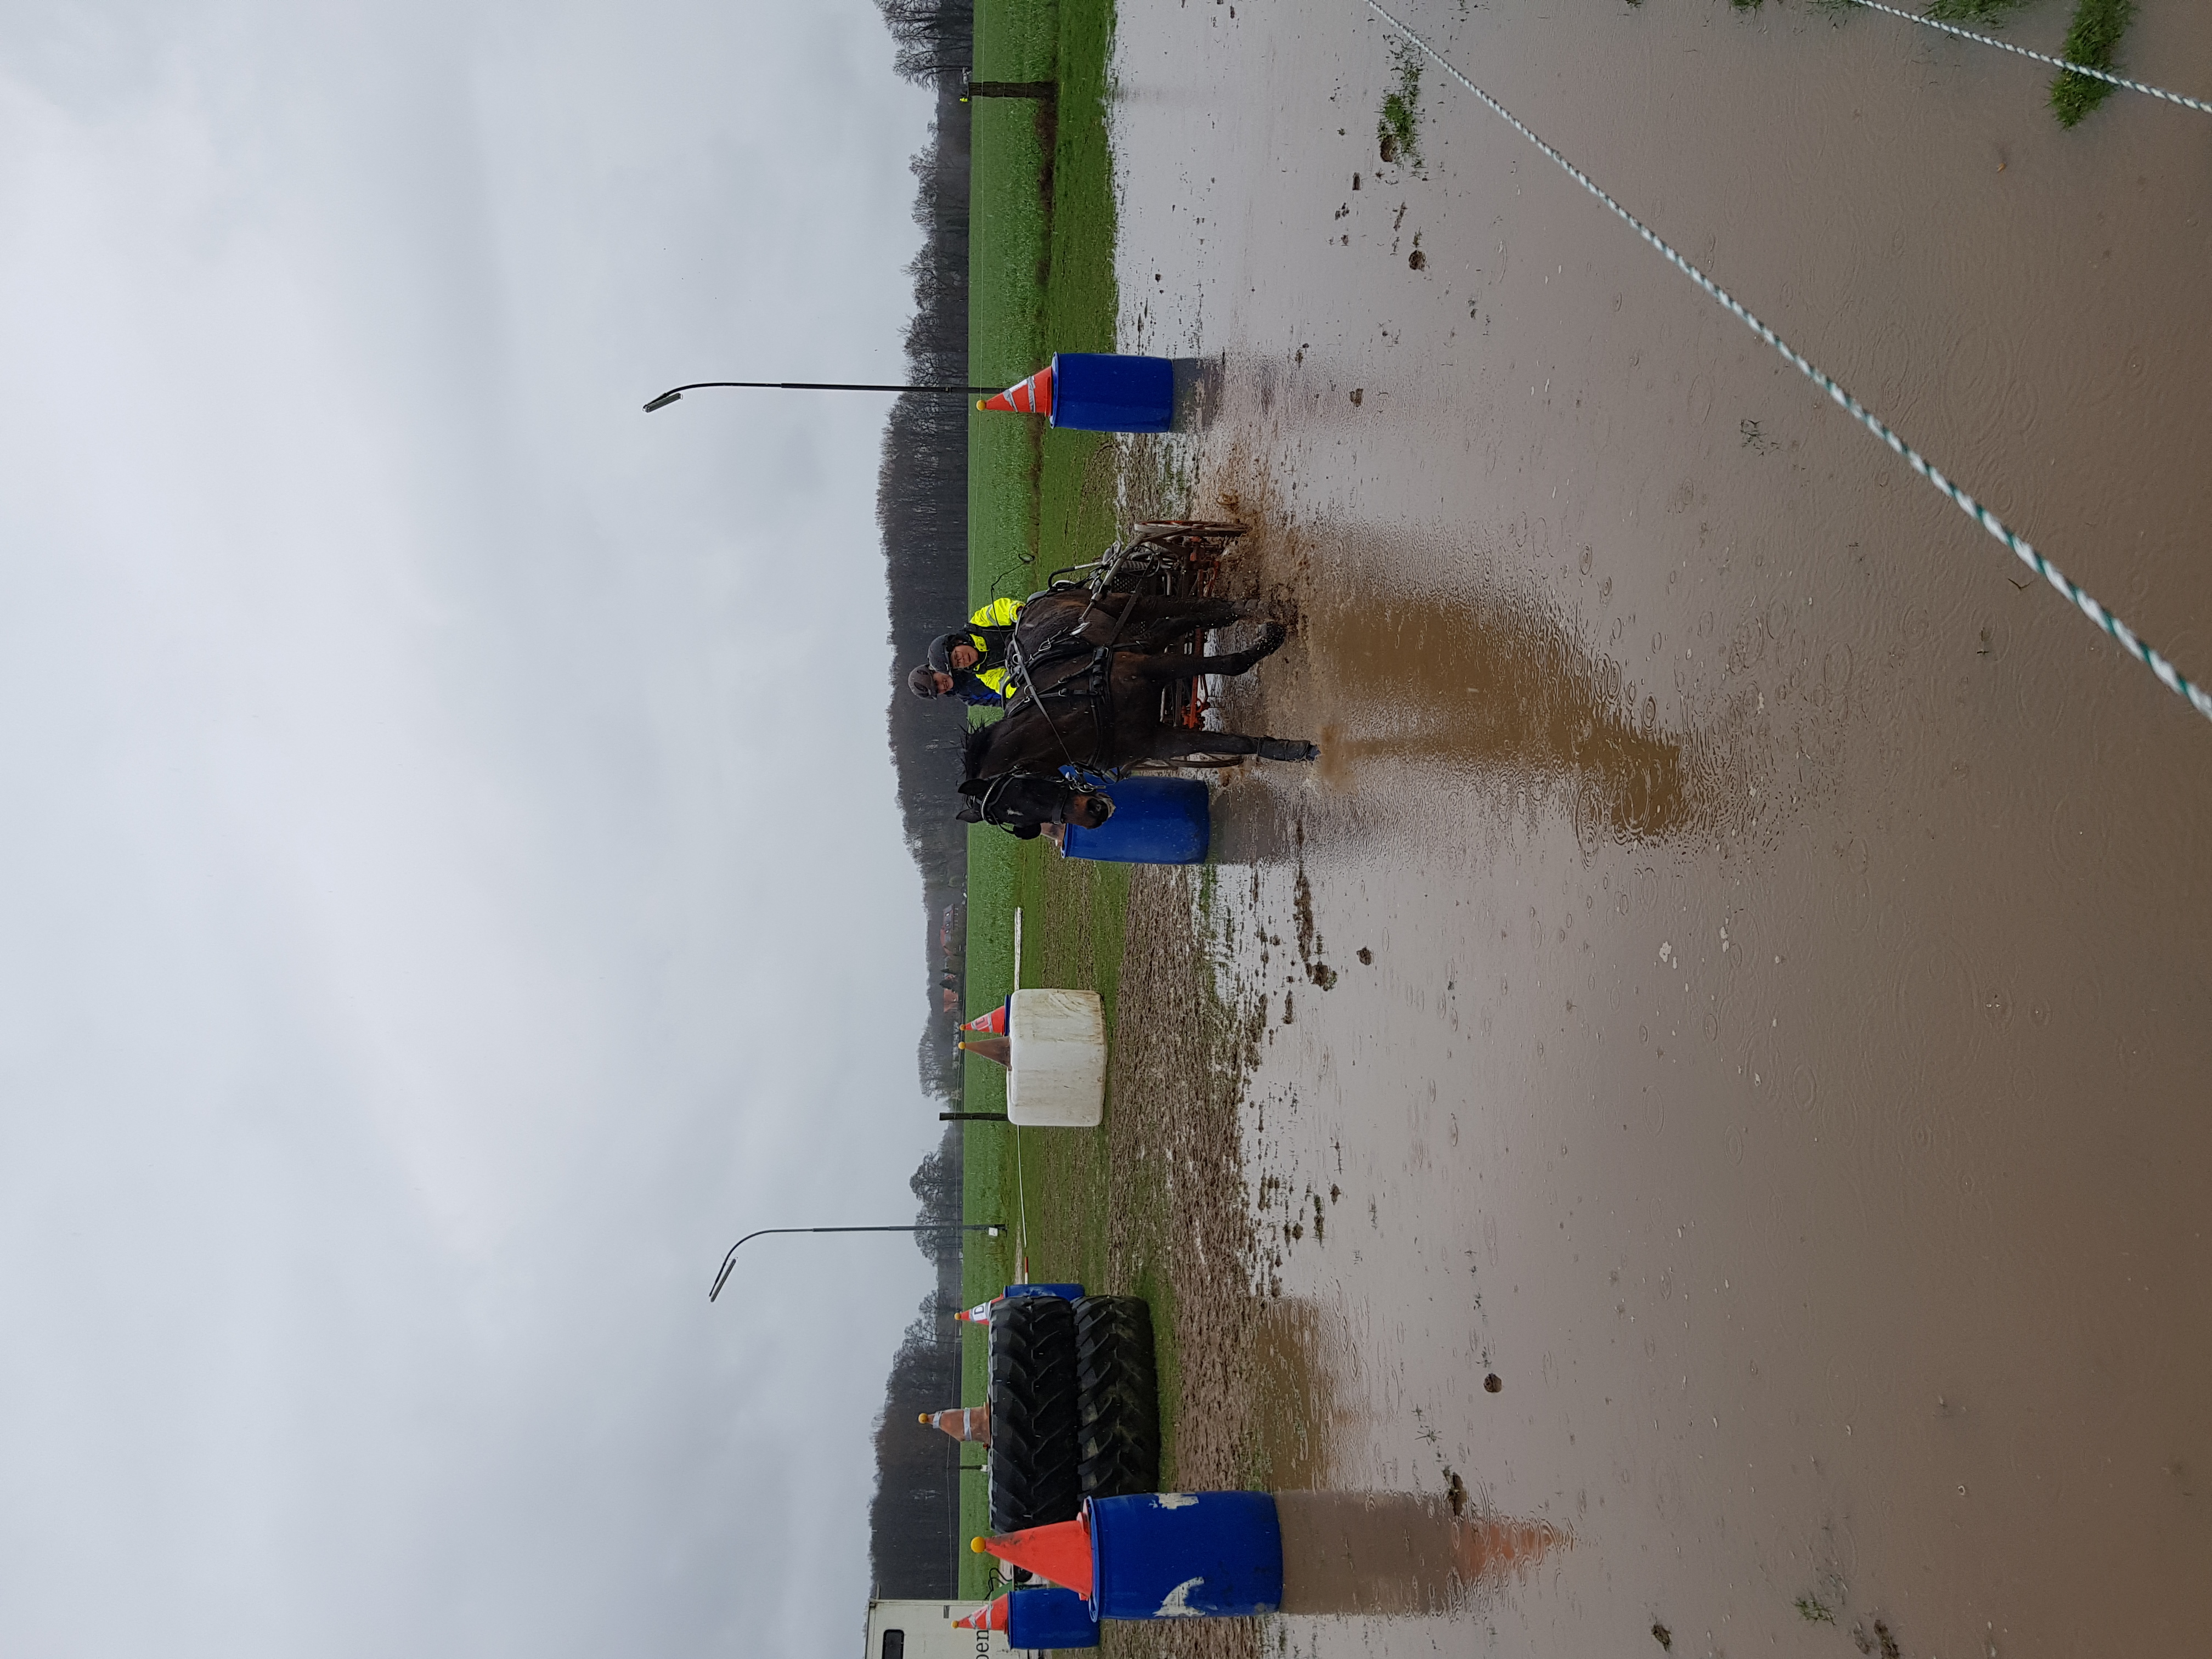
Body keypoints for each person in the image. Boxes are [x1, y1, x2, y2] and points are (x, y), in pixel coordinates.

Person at [906, 596, 1024, 705]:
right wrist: (1020, 690)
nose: (942, 687)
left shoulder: (978, 625)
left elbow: (999, 610)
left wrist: (1017, 612)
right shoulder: (981, 678)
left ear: (957, 643)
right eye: (938, 691)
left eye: (936, 683)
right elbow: (1004, 689)